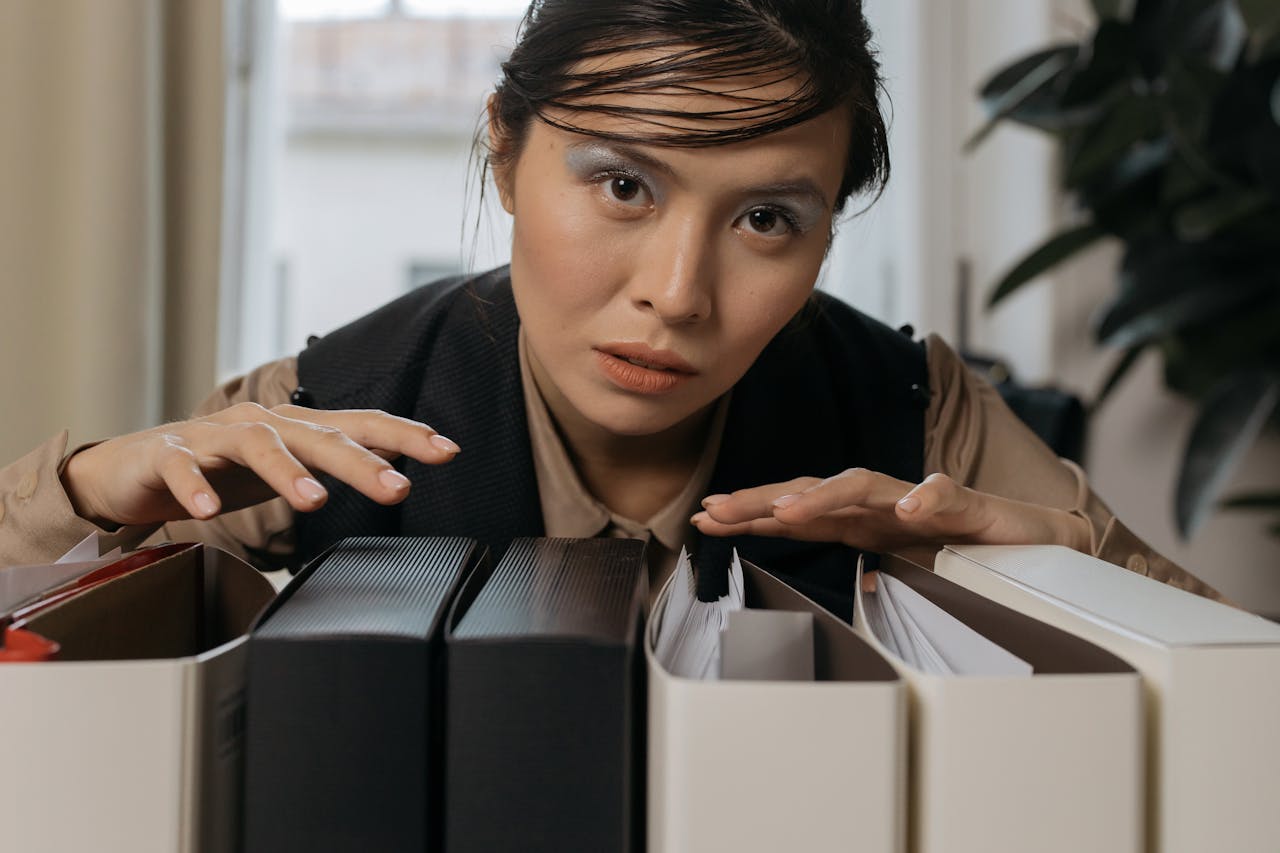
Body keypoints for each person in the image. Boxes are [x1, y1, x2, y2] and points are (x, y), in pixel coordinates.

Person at [0, 0, 1224, 617]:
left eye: (765, 221)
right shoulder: (322, 410)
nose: (675, 294)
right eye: (622, 185)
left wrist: (1077, 571)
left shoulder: (918, 409)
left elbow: (1236, 700)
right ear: (504, 153)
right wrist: (85, 489)